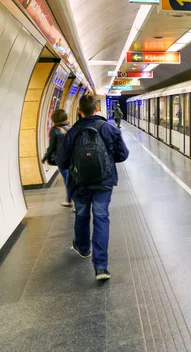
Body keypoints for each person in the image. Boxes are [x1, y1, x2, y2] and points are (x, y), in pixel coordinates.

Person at [56, 93, 129, 281]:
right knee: (101, 217)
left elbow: (62, 163)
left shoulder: (71, 133)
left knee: (81, 214)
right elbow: (123, 155)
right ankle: (101, 267)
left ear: (79, 111)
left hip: (79, 182)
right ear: (96, 109)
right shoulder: (109, 128)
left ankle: (83, 247)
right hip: (104, 182)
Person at [41, 109, 73, 210]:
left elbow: (51, 147)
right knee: (71, 180)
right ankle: (69, 200)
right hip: (73, 158)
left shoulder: (54, 130)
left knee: (68, 181)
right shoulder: (70, 128)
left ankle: (73, 202)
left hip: (62, 160)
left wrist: (45, 158)